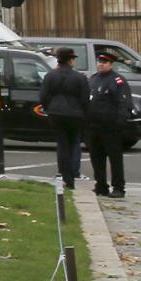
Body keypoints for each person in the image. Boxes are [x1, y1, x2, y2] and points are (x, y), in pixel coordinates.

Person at [39, 45, 91, 192]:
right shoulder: (79, 77)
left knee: (61, 145)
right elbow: (85, 98)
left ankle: (64, 176)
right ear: (70, 60)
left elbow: (43, 96)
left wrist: (50, 107)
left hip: (56, 114)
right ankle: (73, 173)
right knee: (74, 143)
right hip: (74, 115)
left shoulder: (50, 76)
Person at [86, 46, 136, 198]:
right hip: (94, 125)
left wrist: (120, 122)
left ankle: (118, 187)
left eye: (104, 62)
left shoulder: (117, 80)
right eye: (99, 62)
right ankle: (101, 185)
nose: (101, 64)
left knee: (115, 158)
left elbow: (124, 103)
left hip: (110, 126)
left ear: (111, 64)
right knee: (96, 157)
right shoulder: (93, 79)